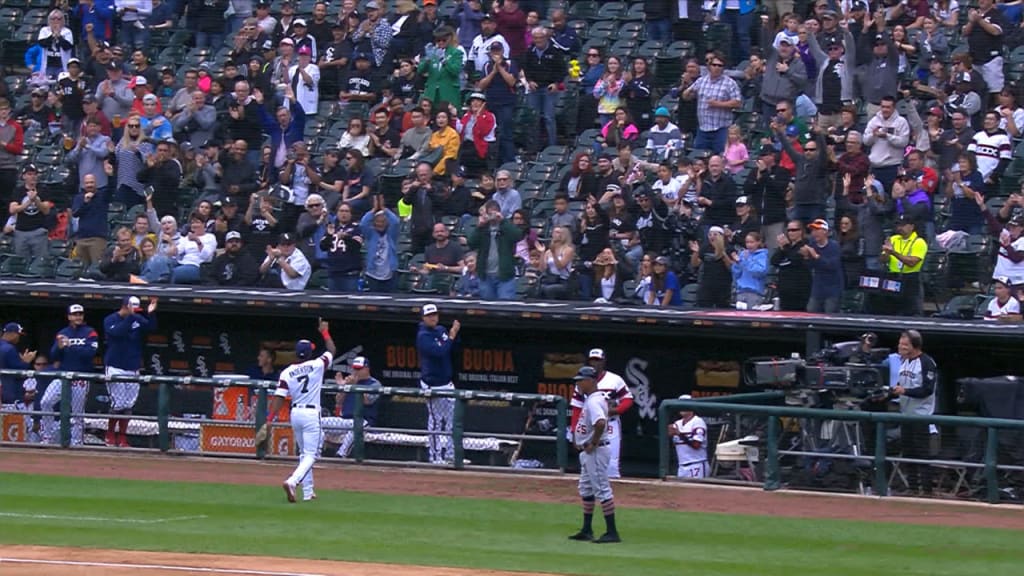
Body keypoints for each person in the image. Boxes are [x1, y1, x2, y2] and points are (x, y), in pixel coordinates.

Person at [268, 319, 336, 503]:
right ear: (310, 352)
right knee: (311, 455)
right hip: (311, 413)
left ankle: (308, 492)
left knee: (303, 453)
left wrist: (269, 419)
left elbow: (279, 397)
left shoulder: (287, 372)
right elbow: (331, 351)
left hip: (295, 413)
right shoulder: (317, 364)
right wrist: (325, 332)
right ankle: (293, 481)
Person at [567, 365, 620, 544]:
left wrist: (593, 442)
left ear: (590, 381)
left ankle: (612, 532)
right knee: (586, 489)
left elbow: (600, 423)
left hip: (596, 451)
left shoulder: (594, 400)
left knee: (602, 490)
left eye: (580, 381)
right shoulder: (592, 399)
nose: (578, 384)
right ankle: (587, 529)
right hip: (590, 452)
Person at [568, 348, 633, 480]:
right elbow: (576, 408)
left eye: (597, 360)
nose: (594, 363)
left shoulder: (614, 379)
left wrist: (615, 410)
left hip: (611, 423)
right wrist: (575, 431)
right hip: (588, 424)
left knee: (612, 462)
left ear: (603, 362)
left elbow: (628, 399)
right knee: (587, 461)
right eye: (592, 360)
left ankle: (610, 490)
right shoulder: (582, 381)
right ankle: (591, 490)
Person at [103, 295, 157, 447]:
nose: (136, 312)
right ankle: (110, 434)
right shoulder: (110, 319)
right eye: (133, 309)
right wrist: (131, 318)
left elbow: (151, 327)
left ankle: (122, 437)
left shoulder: (137, 318)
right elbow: (117, 333)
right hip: (115, 366)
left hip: (132, 367)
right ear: (126, 306)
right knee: (118, 403)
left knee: (128, 404)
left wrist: (151, 313)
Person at [890, 329, 938, 496]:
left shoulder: (926, 362)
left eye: (905, 344)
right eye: (900, 343)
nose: (900, 347)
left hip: (921, 416)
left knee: (922, 455)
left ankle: (927, 491)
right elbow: (901, 385)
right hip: (906, 415)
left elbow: (927, 389)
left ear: (915, 346)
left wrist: (904, 391)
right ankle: (912, 488)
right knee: (909, 452)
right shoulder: (904, 362)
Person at [40, 304, 98, 445]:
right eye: (75, 314)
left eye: (80, 314)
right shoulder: (63, 332)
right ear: (69, 316)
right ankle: (48, 436)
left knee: (77, 412)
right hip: (63, 377)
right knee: (45, 402)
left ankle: (77, 441)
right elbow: (54, 356)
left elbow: (90, 353)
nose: (78, 316)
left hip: (81, 377)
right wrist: (59, 347)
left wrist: (71, 346)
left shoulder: (90, 332)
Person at [416, 303, 460, 465]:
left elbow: (449, 347)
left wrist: (450, 338)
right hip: (432, 384)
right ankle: (435, 456)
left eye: (434, 314)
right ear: (423, 318)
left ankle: (450, 454)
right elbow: (439, 351)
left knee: (452, 421)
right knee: (436, 422)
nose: (433, 317)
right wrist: (451, 336)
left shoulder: (440, 330)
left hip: (447, 383)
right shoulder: (423, 335)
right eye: (429, 315)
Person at [467, 199, 523, 300]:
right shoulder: (483, 228)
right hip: (485, 277)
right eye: (489, 213)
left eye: (494, 212)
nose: (492, 215)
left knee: (506, 308)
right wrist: (479, 227)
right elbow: (471, 243)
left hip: (505, 277)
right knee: (488, 309)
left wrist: (503, 221)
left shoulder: (506, 226)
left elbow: (518, 236)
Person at [332, 355, 381, 458]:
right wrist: (344, 387)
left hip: (364, 421)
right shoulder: (349, 381)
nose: (356, 371)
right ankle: (315, 454)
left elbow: (367, 401)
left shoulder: (374, 384)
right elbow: (338, 401)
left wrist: (354, 386)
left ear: (367, 369)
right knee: (318, 423)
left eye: (359, 369)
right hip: (344, 420)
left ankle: (341, 455)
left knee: (356, 426)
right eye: (354, 368)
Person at [881, 214, 928, 316]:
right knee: (890, 310)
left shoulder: (919, 242)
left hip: (911, 279)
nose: (900, 228)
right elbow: (883, 260)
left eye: (903, 225)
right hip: (893, 277)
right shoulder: (893, 239)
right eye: (898, 225)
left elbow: (912, 262)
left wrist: (893, 252)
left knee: (911, 311)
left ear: (911, 226)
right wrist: (886, 252)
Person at [0, 323, 36, 434]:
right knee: (25, 429)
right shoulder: (9, 349)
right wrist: (26, 361)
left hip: (3, 395)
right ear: (11, 334)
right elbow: (19, 372)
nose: (18, 338)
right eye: (18, 335)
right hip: (11, 397)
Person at [802, 219, 843, 313]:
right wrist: (806, 257)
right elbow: (810, 267)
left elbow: (831, 266)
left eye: (817, 230)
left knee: (829, 315)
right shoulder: (812, 245)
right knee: (811, 311)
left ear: (825, 231)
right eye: (813, 230)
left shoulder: (834, 246)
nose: (814, 233)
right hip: (817, 289)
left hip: (832, 289)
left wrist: (816, 256)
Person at [669, 395, 708, 479]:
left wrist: (679, 434)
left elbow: (696, 445)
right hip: (682, 466)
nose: (682, 408)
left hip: (697, 465)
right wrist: (668, 435)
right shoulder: (677, 423)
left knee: (698, 491)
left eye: (684, 405)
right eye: (680, 405)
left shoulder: (698, 421)